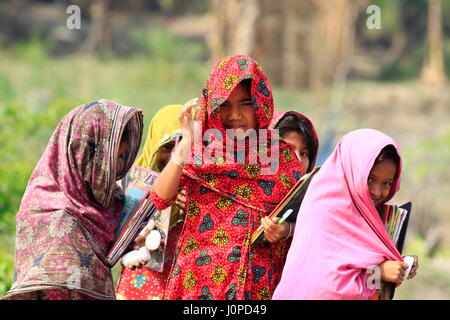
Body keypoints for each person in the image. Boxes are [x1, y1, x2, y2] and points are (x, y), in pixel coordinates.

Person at [151, 54, 303, 300]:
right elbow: (159, 198)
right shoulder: (200, 149)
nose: (235, 115)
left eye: (245, 104)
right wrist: (186, 143)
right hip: (198, 284)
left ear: (261, 104)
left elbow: (309, 220)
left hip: (257, 286)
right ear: (212, 106)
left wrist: (285, 229)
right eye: (224, 104)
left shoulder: (281, 158)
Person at [1, 100, 143, 300]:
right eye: (117, 142)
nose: (112, 166)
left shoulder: (104, 199)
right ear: (85, 151)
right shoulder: (54, 213)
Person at [272, 129, 418, 300]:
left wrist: (400, 265)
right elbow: (326, 287)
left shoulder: (367, 217)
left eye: (386, 183)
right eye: (369, 179)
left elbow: (362, 269)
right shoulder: (326, 210)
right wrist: (379, 273)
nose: (377, 192)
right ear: (351, 170)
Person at [115, 104, 187, 300]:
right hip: (139, 285)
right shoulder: (130, 187)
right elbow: (108, 240)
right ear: (153, 145)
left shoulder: (204, 192)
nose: (175, 157)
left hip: (185, 286)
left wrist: (196, 210)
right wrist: (130, 243)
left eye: (182, 147)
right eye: (166, 147)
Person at [260, 111, 319, 243]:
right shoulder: (242, 188)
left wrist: (289, 229)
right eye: (288, 150)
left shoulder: (314, 195)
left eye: (304, 153)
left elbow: (322, 227)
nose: (297, 159)